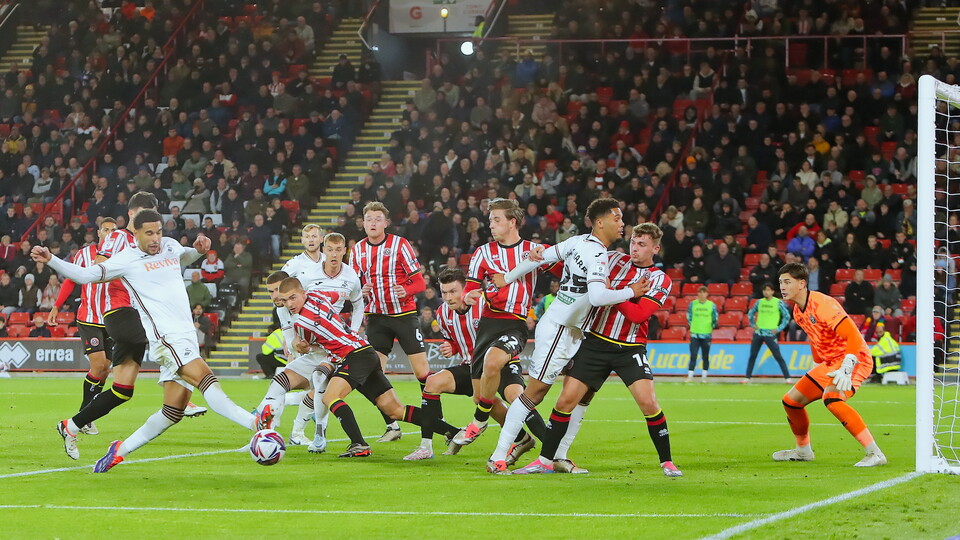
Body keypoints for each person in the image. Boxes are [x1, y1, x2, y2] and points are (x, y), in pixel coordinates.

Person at [32, 210, 270, 471]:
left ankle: (118, 451)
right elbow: (86, 276)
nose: (156, 238)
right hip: (167, 339)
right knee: (207, 380)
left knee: (172, 412)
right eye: (149, 233)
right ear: (135, 233)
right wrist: (52, 259)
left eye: (158, 231)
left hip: (185, 336)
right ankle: (255, 424)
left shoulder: (169, 245)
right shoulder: (126, 259)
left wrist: (199, 250)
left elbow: (184, 256)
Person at [483, 199, 647, 474]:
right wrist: (631, 292)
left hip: (572, 331)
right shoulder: (596, 254)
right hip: (559, 329)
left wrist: (508, 277)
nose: (622, 224)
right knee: (533, 394)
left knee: (583, 394)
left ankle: (559, 455)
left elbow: (539, 255)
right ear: (600, 222)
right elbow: (597, 296)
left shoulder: (578, 241)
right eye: (617, 218)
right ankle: (498, 456)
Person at [513, 223, 682, 477]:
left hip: (629, 348)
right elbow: (572, 265)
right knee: (565, 401)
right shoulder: (611, 258)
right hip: (595, 342)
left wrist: (610, 292)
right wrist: (543, 254)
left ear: (655, 249)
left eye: (642, 244)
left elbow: (639, 314)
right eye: (634, 242)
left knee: (648, 403)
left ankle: (666, 462)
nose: (635, 248)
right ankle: (545, 460)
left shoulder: (659, 279)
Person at [277, 278, 438, 458]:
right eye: (284, 301)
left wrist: (298, 345)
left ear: (303, 293)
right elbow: (340, 295)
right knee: (394, 409)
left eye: (292, 298)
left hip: (354, 356)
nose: (289, 304)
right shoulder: (318, 295)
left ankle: (358, 444)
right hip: (365, 350)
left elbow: (306, 347)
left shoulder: (302, 324)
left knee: (330, 397)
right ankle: (452, 431)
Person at [404, 267, 537, 462]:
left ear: (465, 289)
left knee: (515, 398)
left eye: (453, 291)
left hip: (499, 364)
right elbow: (453, 341)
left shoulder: (484, 303)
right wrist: (450, 347)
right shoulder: (441, 313)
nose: (448, 297)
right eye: (444, 292)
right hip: (470, 367)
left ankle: (551, 449)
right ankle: (425, 446)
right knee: (432, 384)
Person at [452, 199, 545, 451]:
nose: (490, 225)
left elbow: (563, 259)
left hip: (514, 324)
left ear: (512, 222)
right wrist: (468, 297)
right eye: (490, 220)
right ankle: (526, 441)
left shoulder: (533, 250)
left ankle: (479, 422)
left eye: (496, 220)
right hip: (488, 325)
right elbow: (470, 289)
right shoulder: (482, 252)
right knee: (482, 395)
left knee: (495, 366)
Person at [774, 262, 886, 467]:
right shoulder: (798, 312)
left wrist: (847, 366)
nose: (782, 286)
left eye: (787, 282)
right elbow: (816, 338)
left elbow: (852, 335)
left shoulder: (823, 304)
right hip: (831, 363)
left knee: (832, 399)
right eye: (781, 282)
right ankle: (803, 452)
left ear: (802, 284)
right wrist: (819, 359)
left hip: (854, 358)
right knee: (791, 402)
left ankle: (875, 453)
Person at [262, 232, 366, 449]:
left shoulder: (346, 277)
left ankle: (318, 435)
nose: (281, 299)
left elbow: (356, 302)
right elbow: (290, 325)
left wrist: (353, 331)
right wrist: (293, 343)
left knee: (320, 382)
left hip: (336, 348)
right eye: (276, 294)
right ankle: (267, 433)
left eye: (337, 249)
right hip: (315, 347)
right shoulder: (301, 289)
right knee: (284, 380)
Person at [350, 202, 429, 442]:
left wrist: (406, 290)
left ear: (386, 223)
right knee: (373, 373)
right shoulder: (357, 251)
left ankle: (433, 423)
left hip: (404, 316)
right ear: (363, 223)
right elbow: (351, 285)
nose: (373, 223)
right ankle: (392, 425)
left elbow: (420, 284)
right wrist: (359, 289)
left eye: (377, 219)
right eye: (369, 219)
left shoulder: (400, 245)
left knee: (422, 373)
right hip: (376, 318)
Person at [48, 217, 119, 436]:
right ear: (98, 233)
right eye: (105, 230)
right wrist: (57, 306)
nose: (108, 233)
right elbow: (71, 279)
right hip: (88, 317)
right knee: (98, 365)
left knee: (105, 369)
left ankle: (85, 416)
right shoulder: (85, 254)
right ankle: (84, 416)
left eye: (113, 230)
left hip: (112, 317)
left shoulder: (124, 255)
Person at [742, 283, 793, 383]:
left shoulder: (778, 303)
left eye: (769, 290)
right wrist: (753, 324)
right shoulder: (759, 302)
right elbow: (751, 313)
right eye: (765, 290)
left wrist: (779, 328)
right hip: (759, 332)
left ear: (772, 291)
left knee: (778, 355)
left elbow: (787, 317)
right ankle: (747, 377)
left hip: (770, 333)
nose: (766, 292)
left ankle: (788, 377)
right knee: (753, 355)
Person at [687, 286, 717, 381]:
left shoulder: (711, 305)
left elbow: (715, 318)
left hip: (706, 334)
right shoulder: (693, 304)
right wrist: (694, 326)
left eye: (704, 292)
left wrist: (709, 327)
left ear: (707, 294)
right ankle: (690, 376)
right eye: (700, 292)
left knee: (705, 355)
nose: (702, 294)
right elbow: (689, 316)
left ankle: (704, 376)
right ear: (698, 293)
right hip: (695, 334)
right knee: (693, 355)